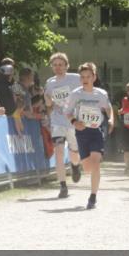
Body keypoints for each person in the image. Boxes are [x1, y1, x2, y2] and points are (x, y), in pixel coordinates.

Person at [66, 62, 114, 209]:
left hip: (96, 131)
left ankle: (93, 196)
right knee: (87, 168)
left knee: (96, 163)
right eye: (82, 77)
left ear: (94, 77)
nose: (85, 79)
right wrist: (74, 121)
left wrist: (111, 119)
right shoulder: (76, 94)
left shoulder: (101, 93)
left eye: (88, 76)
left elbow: (108, 108)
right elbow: (67, 112)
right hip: (82, 132)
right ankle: (78, 167)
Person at [44, 52, 83, 198]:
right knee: (59, 152)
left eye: (61, 64)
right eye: (55, 65)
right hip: (57, 121)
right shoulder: (50, 82)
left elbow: (85, 92)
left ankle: (75, 166)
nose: (58, 67)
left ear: (67, 66)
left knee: (74, 152)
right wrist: (47, 100)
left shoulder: (75, 79)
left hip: (73, 121)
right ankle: (63, 186)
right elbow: (49, 104)